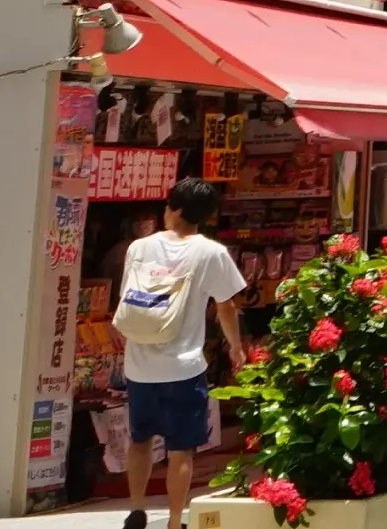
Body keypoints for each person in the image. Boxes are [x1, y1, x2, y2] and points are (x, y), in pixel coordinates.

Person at [113, 178, 245, 529]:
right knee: (181, 449)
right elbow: (226, 305)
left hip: (140, 365)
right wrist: (235, 346)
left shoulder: (138, 248)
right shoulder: (211, 252)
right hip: (184, 366)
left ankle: (137, 510)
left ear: (176, 209)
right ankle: (173, 521)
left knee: (139, 439)